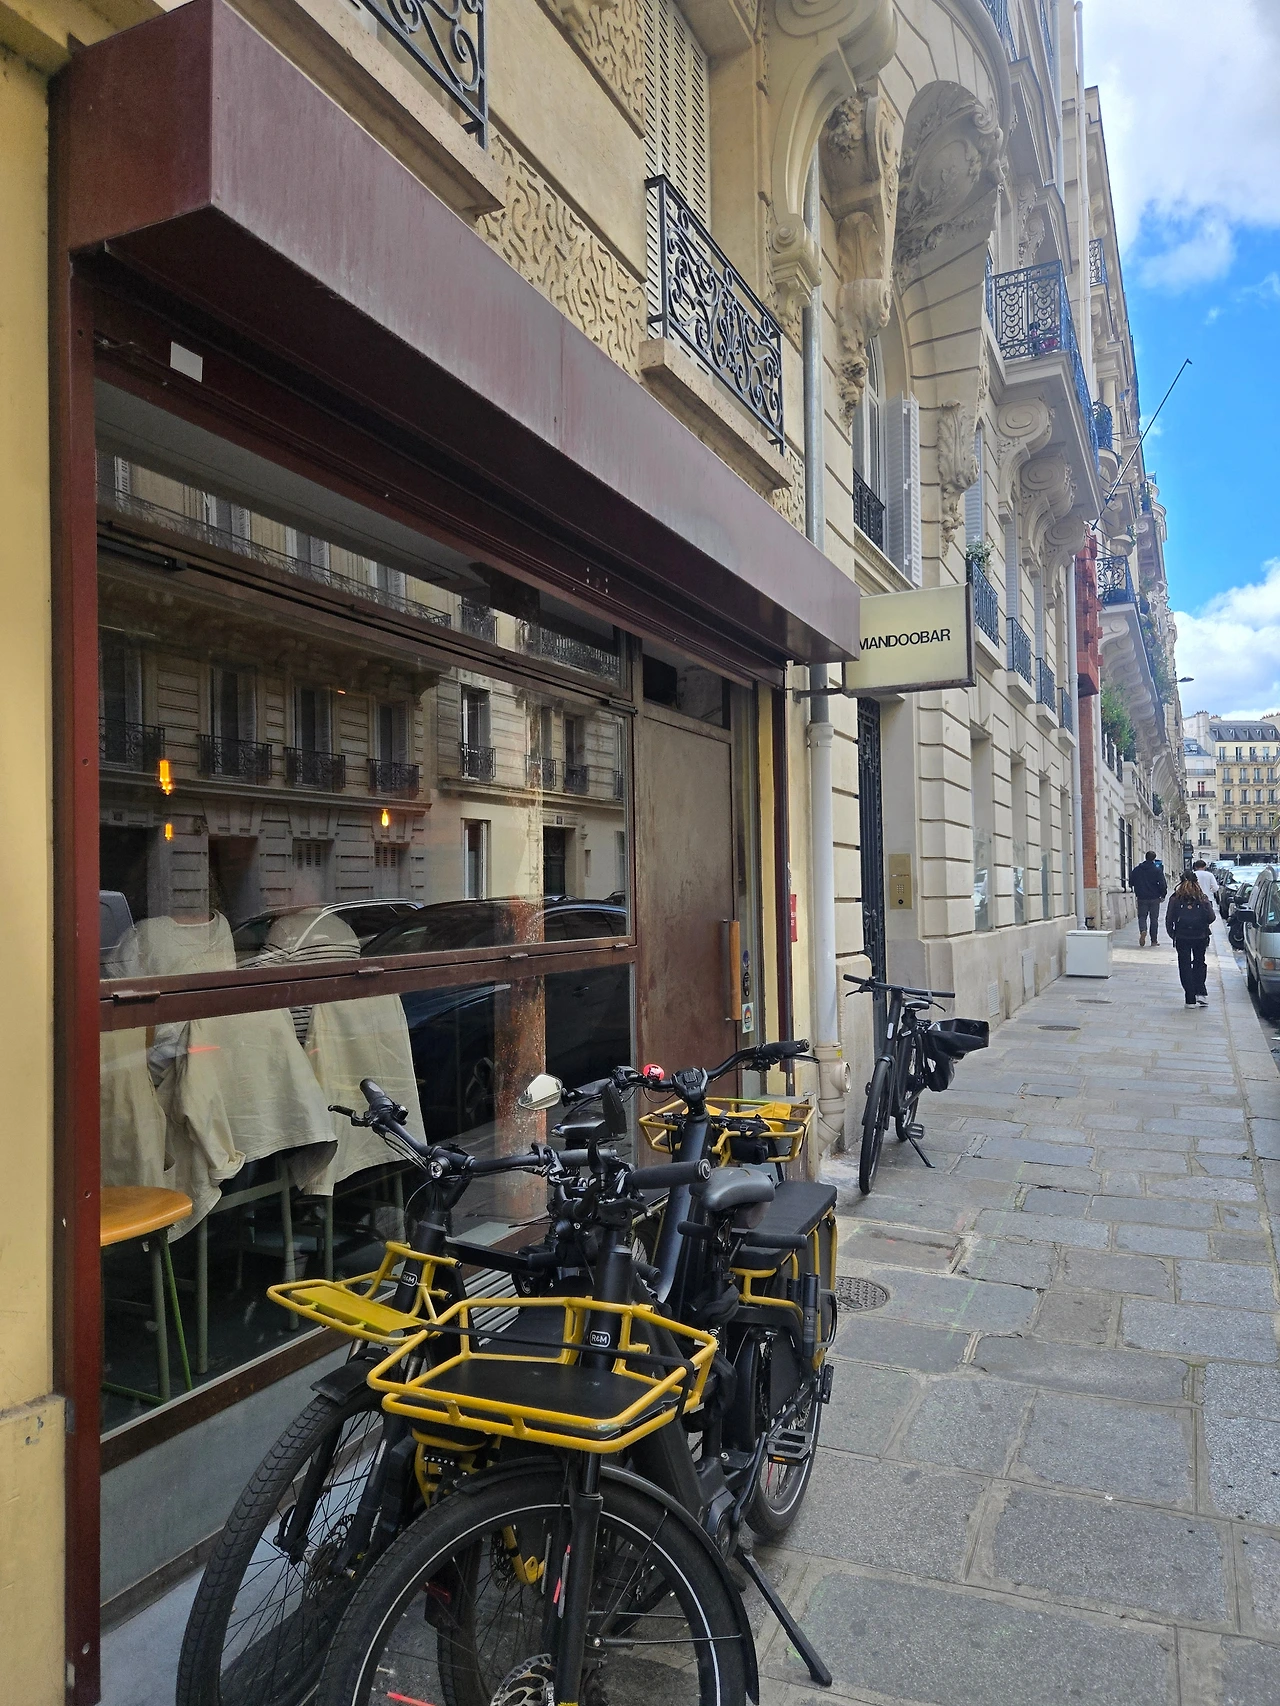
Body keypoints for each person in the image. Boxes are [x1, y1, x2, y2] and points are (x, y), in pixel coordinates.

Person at [1166, 870, 1215, 1007]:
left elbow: (1169, 919)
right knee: (1199, 962)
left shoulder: (1175, 898)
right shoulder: (1202, 897)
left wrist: (1173, 934)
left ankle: (1190, 998)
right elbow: (1211, 917)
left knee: (1184, 965)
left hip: (1182, 936)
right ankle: (1201, 992)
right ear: (1196, 881)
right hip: (1200, 935)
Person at [1130, 850, 1168, 946]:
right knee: (1154, 919)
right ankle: (1154, 940)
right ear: (1154, 859)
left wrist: (1138, 888)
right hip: (1154, 898)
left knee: (1142, 917)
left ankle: (1143, 930)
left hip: (1141, 897)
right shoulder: (1157, 870)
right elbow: (1163, 884)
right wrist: (1163, 895)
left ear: (1145, 857)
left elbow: (1131, 882)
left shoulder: (1137, 869)